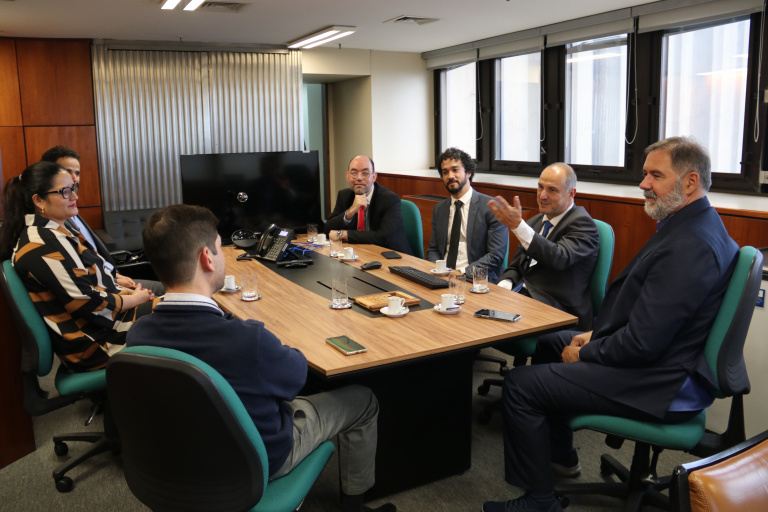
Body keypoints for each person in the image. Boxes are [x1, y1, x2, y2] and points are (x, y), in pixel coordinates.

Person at [483, 137, 739, 512]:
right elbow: (653, 319)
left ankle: (539, 501)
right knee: (553, 341)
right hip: (659, 359)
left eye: (655, 175)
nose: (643, 183)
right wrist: (594, 334)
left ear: (690, 182)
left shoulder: (692, 244)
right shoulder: (690, 225)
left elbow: (643, 344)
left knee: (521, 385)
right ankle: (561, 455)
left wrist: (589, 352)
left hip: (658, 381)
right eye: (644, 174)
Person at [128, 204, 396, 512]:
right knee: (363, 399)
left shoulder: (138, 333)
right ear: (206, 258)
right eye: (219, 248)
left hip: (177, 462)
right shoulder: (246, 340)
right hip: (257, 462)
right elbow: (297, 378)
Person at [0, 161, 155, 372]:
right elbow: (87, 302)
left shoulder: (56, 230)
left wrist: (126, 293)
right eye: (65, 192)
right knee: (185, 317)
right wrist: (135, 299)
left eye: (73, 188)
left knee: (184, 309)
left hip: (105, 323)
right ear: (39, 200)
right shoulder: (41, 246)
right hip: (95, 343)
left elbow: (90, 280)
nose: (75, 196)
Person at [40, 145, 164, 295]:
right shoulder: (54, 220)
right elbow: (78, 270)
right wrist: (115, 281)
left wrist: (115, 275)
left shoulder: (71, 207)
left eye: (77, 173)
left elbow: (90, 254)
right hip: (103, 288)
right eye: (67, 171)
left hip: (111, 277)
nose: (74, 178)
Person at [489, 163, 599, 330]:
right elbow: (517, 266)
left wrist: (519, 227)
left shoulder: (583, 224)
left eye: (552, 190)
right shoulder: (536, 221)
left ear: (571, 193)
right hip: (522, 299)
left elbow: (559, 257)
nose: (542, 195)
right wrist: (504, 286)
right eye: (540, 187)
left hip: (559, 310)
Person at [426, 147, 508, 283]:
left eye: (455, 170)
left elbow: (496, 255)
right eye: (445, 172)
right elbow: (433, 250)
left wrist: (463, 273)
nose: (450, 176)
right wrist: (438, 270)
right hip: (443, 277)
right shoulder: (439, 209)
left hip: (476, 279)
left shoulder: (491, 207)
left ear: (468, 172)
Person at [325, 155, 412, 255]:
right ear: (347, 176)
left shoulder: (389, 199)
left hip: (392, 256)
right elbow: (328, 229)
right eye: (354, 173)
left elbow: (384, 238)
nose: (359, 178)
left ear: (374, 177)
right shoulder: (344, 195)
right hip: (360, 253)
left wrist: (345, 234)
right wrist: (350, 212)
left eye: (365, 173)